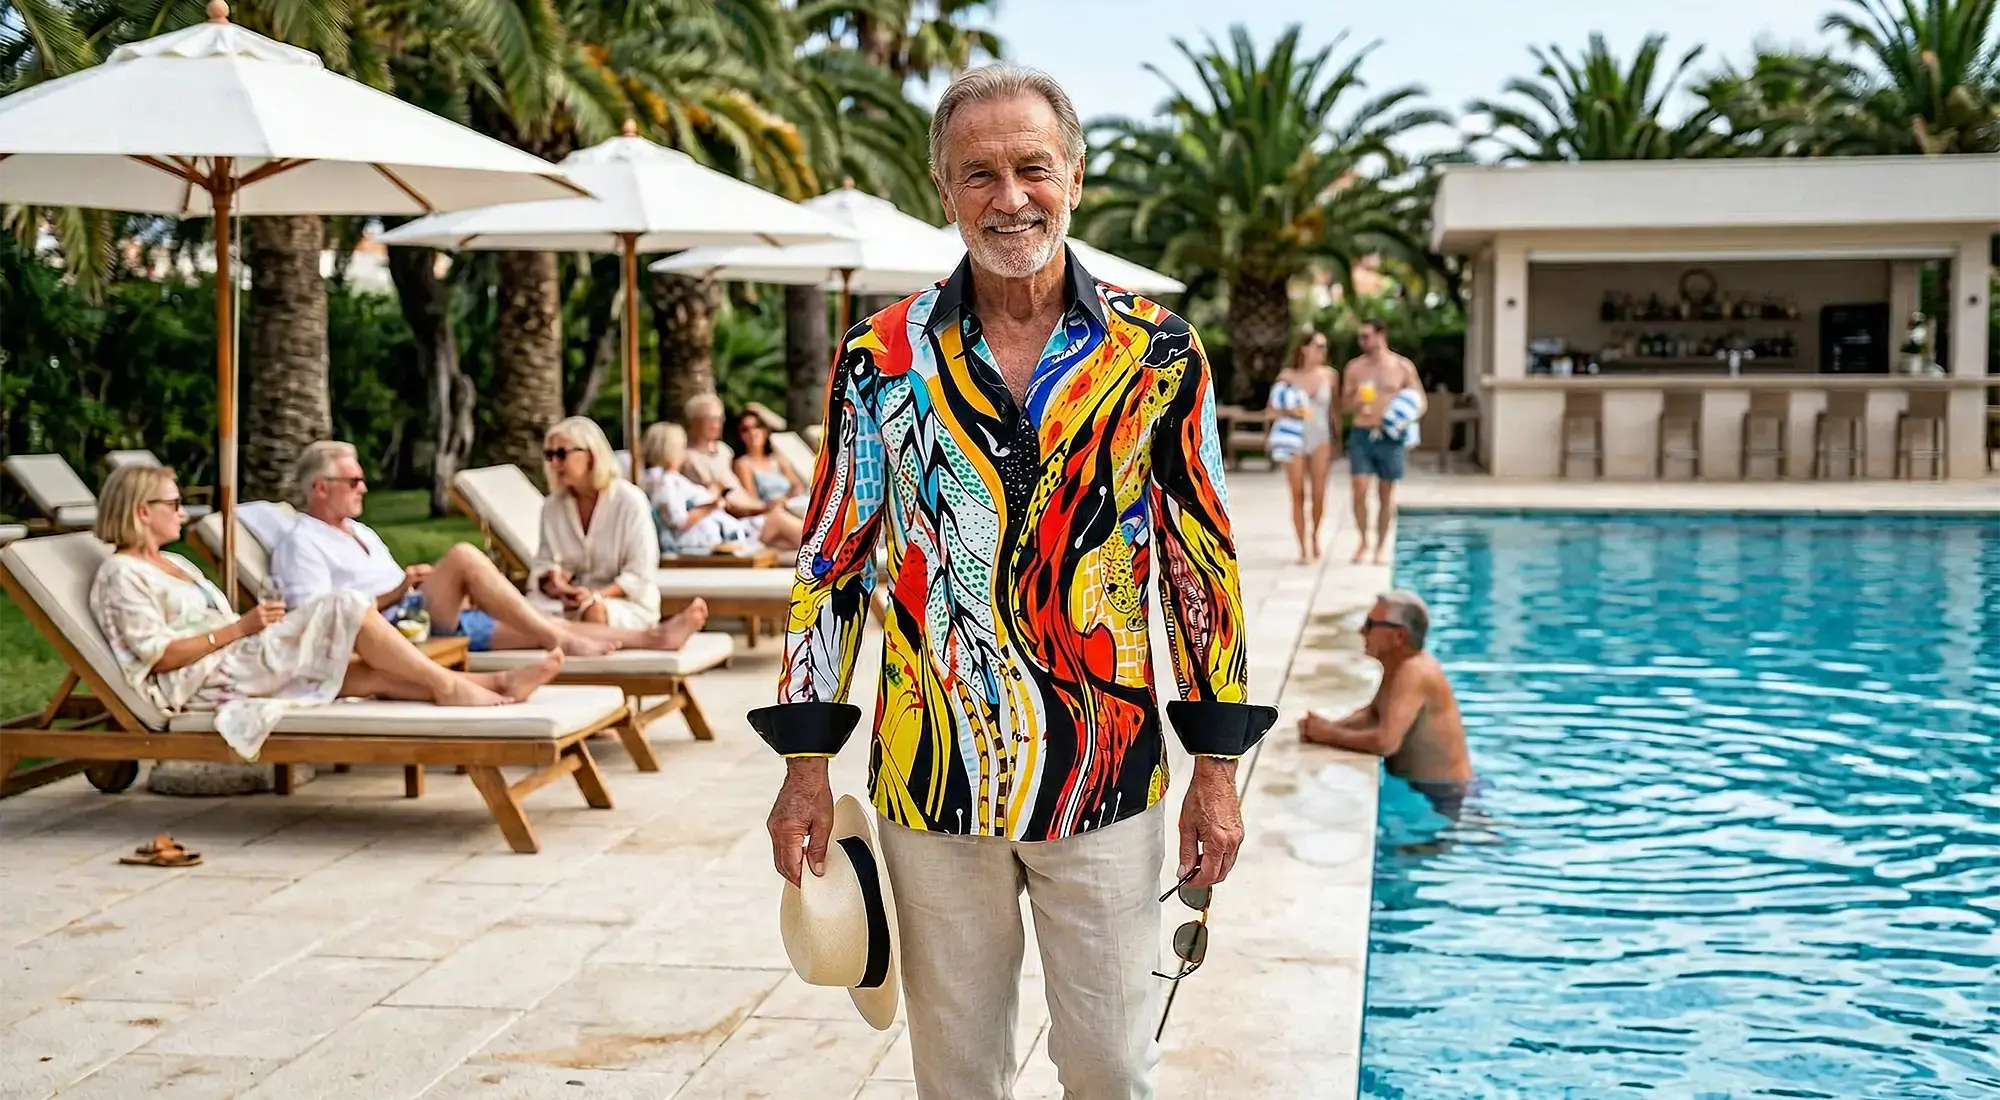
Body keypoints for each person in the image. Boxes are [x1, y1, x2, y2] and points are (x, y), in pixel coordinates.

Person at [749, 64, 1275, 1100]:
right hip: (931, 778)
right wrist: (805, 761)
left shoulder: (1157, 353)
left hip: (1106, 773)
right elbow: (833, 559)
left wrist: (1215, 766)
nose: (1009, 197)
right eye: (978, 174)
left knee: (1112, 1067)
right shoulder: (879, 356)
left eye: (1032, 168)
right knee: (957, 1077)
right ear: (942, 190)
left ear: (1074, 177)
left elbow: (1199, 561)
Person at [88, 465, 565, 760]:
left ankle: (498, 683)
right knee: (346, 603)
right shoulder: (121, 575)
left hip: (238, 658)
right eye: (173, 503)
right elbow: (157, 657)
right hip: (203, 681)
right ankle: (450, 686)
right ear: (142, 511)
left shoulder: (176, 564)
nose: (183, 512)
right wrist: (241, 628)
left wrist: (248, 631)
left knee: (369, 676)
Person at [269, 440, 702, 657]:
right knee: (463, 555)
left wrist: (420, 585)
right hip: (386, 630)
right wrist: (397, 591)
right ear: (320, 488)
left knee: (539, 624)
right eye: (354, 481)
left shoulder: (360, 532)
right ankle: (558, 639)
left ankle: (653, 637)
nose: (364, 488)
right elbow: (315, 618)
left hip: (419, 615)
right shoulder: (301, 543)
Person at [1298, 590, 1475, 818]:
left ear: (1399, 635)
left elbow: (1385, 742)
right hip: (1428, 789)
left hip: (1445, 795)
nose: (1362, 631)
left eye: (1371, 625)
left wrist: (1326, 734)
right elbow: (1373, 713)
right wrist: (1328, 726)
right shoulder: (1398, 664)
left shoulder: (1414, 671)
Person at [533, 416, 707, 643]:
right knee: (520, 615)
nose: (555, 463)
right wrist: (556, 583)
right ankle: (658, 638)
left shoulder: (629, 501)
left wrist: (595, 595)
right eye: (549, 455)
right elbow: (543, 563)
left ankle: (654, 637)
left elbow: (640, 572)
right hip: (564, 604)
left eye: (561, 454)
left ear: (591, 455)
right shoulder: (552, 507)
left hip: (625, 602)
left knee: (594, 612)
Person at [645, 422, 804, 553]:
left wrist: (712, 495)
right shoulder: (666, 482)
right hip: (716, 539)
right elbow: (677, 521)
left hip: (725, 531)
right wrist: (713, 504)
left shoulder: (669, 479)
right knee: (776, 519)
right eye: (681, 447)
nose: (684, 452)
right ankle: (817, 550)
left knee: (784, 540)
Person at [1340, 319, 1425, 565]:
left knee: (1386, 494)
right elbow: (1343, 406)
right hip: (1362, 433)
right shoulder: (1355, 368)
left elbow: (1420, 401)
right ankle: (1363, 541)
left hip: (1390, 436)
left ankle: (1380, 547)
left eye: (1366, 336)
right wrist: (1355, 401)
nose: (1362, 341)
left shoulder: (1402, 366)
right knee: (1359, 489)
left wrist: (1403, 416)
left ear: (1381, 335)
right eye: (1360, 337)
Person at [1266, 331, 1336, 564]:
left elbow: (1333, 412)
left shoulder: (1329, 376)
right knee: (1298, 494)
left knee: (1319, 494)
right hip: (1293, 438)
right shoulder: (1287, 376)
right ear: (1304, 348)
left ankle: (1315, 536)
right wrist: (1290, 411)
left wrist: (1338, 441)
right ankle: (1303, 547)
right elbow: (1271, 411)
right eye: (1318, 346)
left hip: (1320, 438)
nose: (1322, 351)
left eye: (1324, 346)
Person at [682, 394, 764, 518]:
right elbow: (721, 498)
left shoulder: (724, 450)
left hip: (751, 508)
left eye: (719, 419)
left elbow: (739, 490)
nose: (715, 425)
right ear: (694, 422)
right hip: (732, 517)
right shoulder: (689, 458)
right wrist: (763, 508)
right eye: (709, 420)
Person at [733, 408, 808, 514]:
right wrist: (774, 503)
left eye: (757, 427)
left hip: (792, 503)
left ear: (764, 431)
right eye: (745, 429)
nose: (752, 433)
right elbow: (752, 500)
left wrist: (787, 499)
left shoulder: (776, 459)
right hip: (772, 511)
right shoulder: (743, 464)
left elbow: (797, 485)